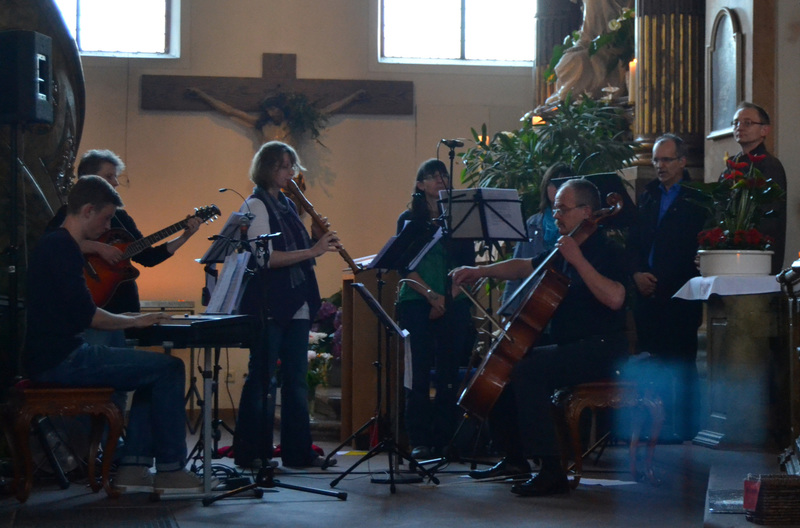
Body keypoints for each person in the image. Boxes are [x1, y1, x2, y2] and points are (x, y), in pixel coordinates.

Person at [24, 175, 207, 494]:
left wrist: (131, 318)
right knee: (170, 368)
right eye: (106, 218)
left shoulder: (56, 243)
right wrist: (134, 321)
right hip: (62, 360)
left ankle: (134, 468)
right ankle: (170, 471)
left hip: (55, 356)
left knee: (155, 371)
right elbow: (90, 317)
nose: (108, 227)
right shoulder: (62, 247)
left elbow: (80, 310)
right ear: (88, 210)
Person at [451, 178, 628, 497]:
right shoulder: (565, 247)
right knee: (508, 361)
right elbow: (524, 267)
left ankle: (551, 470)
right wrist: (481, 271)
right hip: (570, 344)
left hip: (601, 347)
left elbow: (615, 298)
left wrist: (578, 260)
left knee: (528, 371)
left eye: (563, 209)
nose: (556, 215)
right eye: (555, 209)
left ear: (586, 212)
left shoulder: (608, 250)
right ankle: (514, 459)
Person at [232, 141, 341, 469]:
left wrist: (315, 237)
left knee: (296, 381)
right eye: (284, 166)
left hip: (297, 301)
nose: (290, 172)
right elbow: (266, 258)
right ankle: (253, 452)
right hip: (270, 303)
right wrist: (314, 250)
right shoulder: (255, 205)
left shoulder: (289, 205)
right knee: (262, 378)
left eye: (292, 166)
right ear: (267, 168)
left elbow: (298, 253)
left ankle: (297, 452)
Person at [47, 149, 202, 346]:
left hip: (124, 306)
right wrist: (98, 248)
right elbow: (54, 243)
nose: (115, 183)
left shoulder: (121, 217)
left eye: (115, 177)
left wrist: (185, 236)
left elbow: (148, 258)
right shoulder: (69, 213)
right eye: (109, 176)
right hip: (93, 310)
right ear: (90, 179)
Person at [627, 134, 708, 441]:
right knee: (652, 362)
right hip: (646, 292)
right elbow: (634, 243)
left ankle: (685, 428)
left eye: (666, 159)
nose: (659, 165)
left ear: (682, 162)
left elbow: (695, 247)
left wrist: (666, 278)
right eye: (656, 160)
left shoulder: (696, 198)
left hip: (679, 292)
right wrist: (637, 274)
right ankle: (654, 427)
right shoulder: (648, 196)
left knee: (682, 363)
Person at [394, 159, 476, 460]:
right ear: (420, 184)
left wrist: (447, 298)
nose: (441, 179)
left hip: (454, 299)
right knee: (417, 374)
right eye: (434, 176)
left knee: (448, 374)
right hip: (416, 300)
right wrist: (431, 295)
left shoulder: (459, 218)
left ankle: (445, 438)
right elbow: (404, 264)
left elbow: (468, 265)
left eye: (444, 174)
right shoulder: (409, 219)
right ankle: (419, 439)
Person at [500, 163, 573, 314]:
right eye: (552, 184)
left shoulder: (576, 225)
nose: (556, 189)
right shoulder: (532, 223)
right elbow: (518, 265)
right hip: (532, 302)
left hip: (566, 302)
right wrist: (508, 309)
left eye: (562, 183)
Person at [725, 102, 787, 274]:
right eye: (736, 123)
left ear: (764, 130)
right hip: (728, 252)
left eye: (747, 123)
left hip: (755, 253)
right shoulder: (732, 165)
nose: (739, 127)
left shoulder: (770, 165)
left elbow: (769, 213)